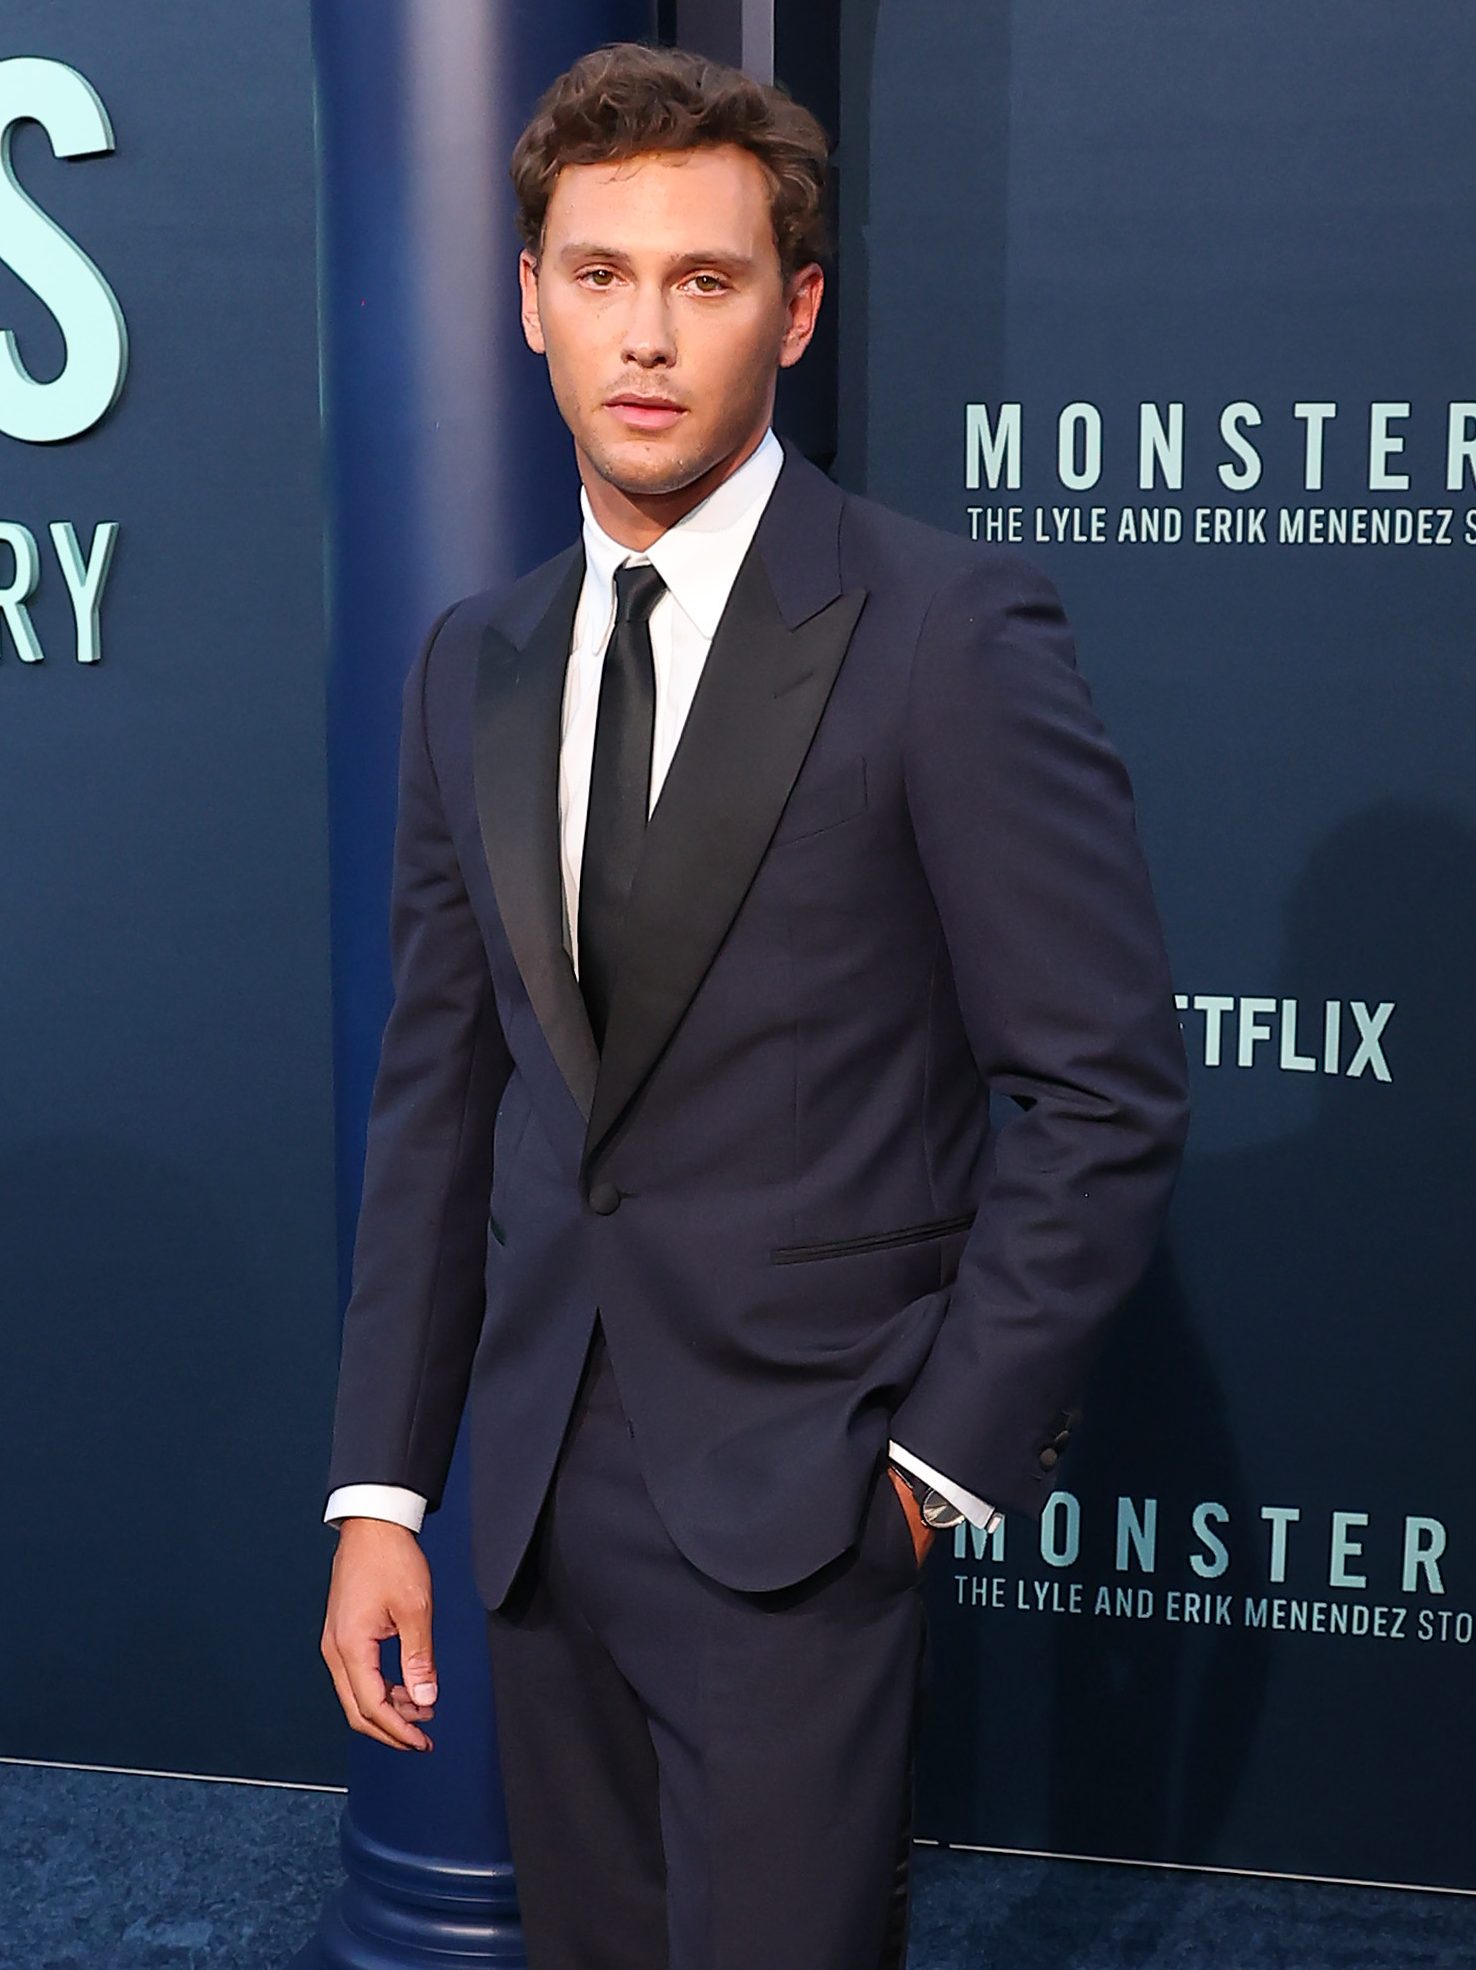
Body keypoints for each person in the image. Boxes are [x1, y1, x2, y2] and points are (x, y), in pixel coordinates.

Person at [318, 39, 1190, 1970]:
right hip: (535, 1502)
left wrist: (930, 1466)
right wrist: (385, 1484)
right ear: (529, 298)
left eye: (703, 282)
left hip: (810, 1501)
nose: (646, 333)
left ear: (791, 314)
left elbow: (1108, 1093)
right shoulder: (476, 660)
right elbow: (438, 1094)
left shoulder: (945, 630)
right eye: (601, 273)